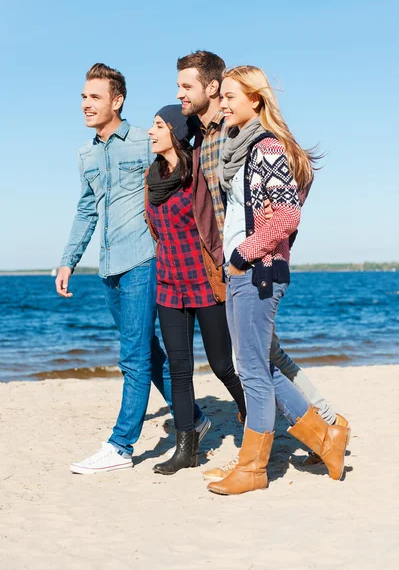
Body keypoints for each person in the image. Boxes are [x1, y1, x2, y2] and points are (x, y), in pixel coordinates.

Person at [176, 51, 349, 478]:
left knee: (252, 370)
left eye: (232, 96)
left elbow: (288, 215)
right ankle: (327, 436)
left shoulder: (266, 147)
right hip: (244, 271)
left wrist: (241, 255)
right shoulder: (240, 146)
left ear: (256, 100)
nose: (225, 104)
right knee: (261, 367)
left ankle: (253, 466)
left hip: (259, 270)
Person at [56, 64, 210, 474]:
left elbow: (184, 165)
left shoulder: (145, 140)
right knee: (148, 351)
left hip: (144, 260)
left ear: (117, 100)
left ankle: (121, 446)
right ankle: (195, 418)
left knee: (133, 357)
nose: (87, 105)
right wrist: (68, 260)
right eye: (83, 98)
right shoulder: (85, 154)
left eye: (95, 97)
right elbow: (87, 210)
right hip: (108, 267)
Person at [144, 105, 247, 476]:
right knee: (179, 369)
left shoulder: (198, 175)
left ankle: (254, 418)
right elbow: (156, 231)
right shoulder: (151, 177)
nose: (151, 132)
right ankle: (186, 447)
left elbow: (214, 223)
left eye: (158, 126)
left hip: (205, 280)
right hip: (169, 284)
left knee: (222, 364)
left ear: (175, 131)